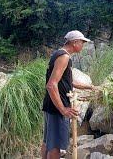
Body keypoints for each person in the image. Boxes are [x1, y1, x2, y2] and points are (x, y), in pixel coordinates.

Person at [41, 30, 97, 159]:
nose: (83, 45)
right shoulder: (64, 57)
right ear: (74, 42)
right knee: (55, 145)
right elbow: (51, 85)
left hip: (50, 104)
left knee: (47, 141)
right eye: (82, 42)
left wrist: (89, 87)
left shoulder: (58, 54)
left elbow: (67, 81)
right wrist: (63, 110)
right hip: (57, 107)